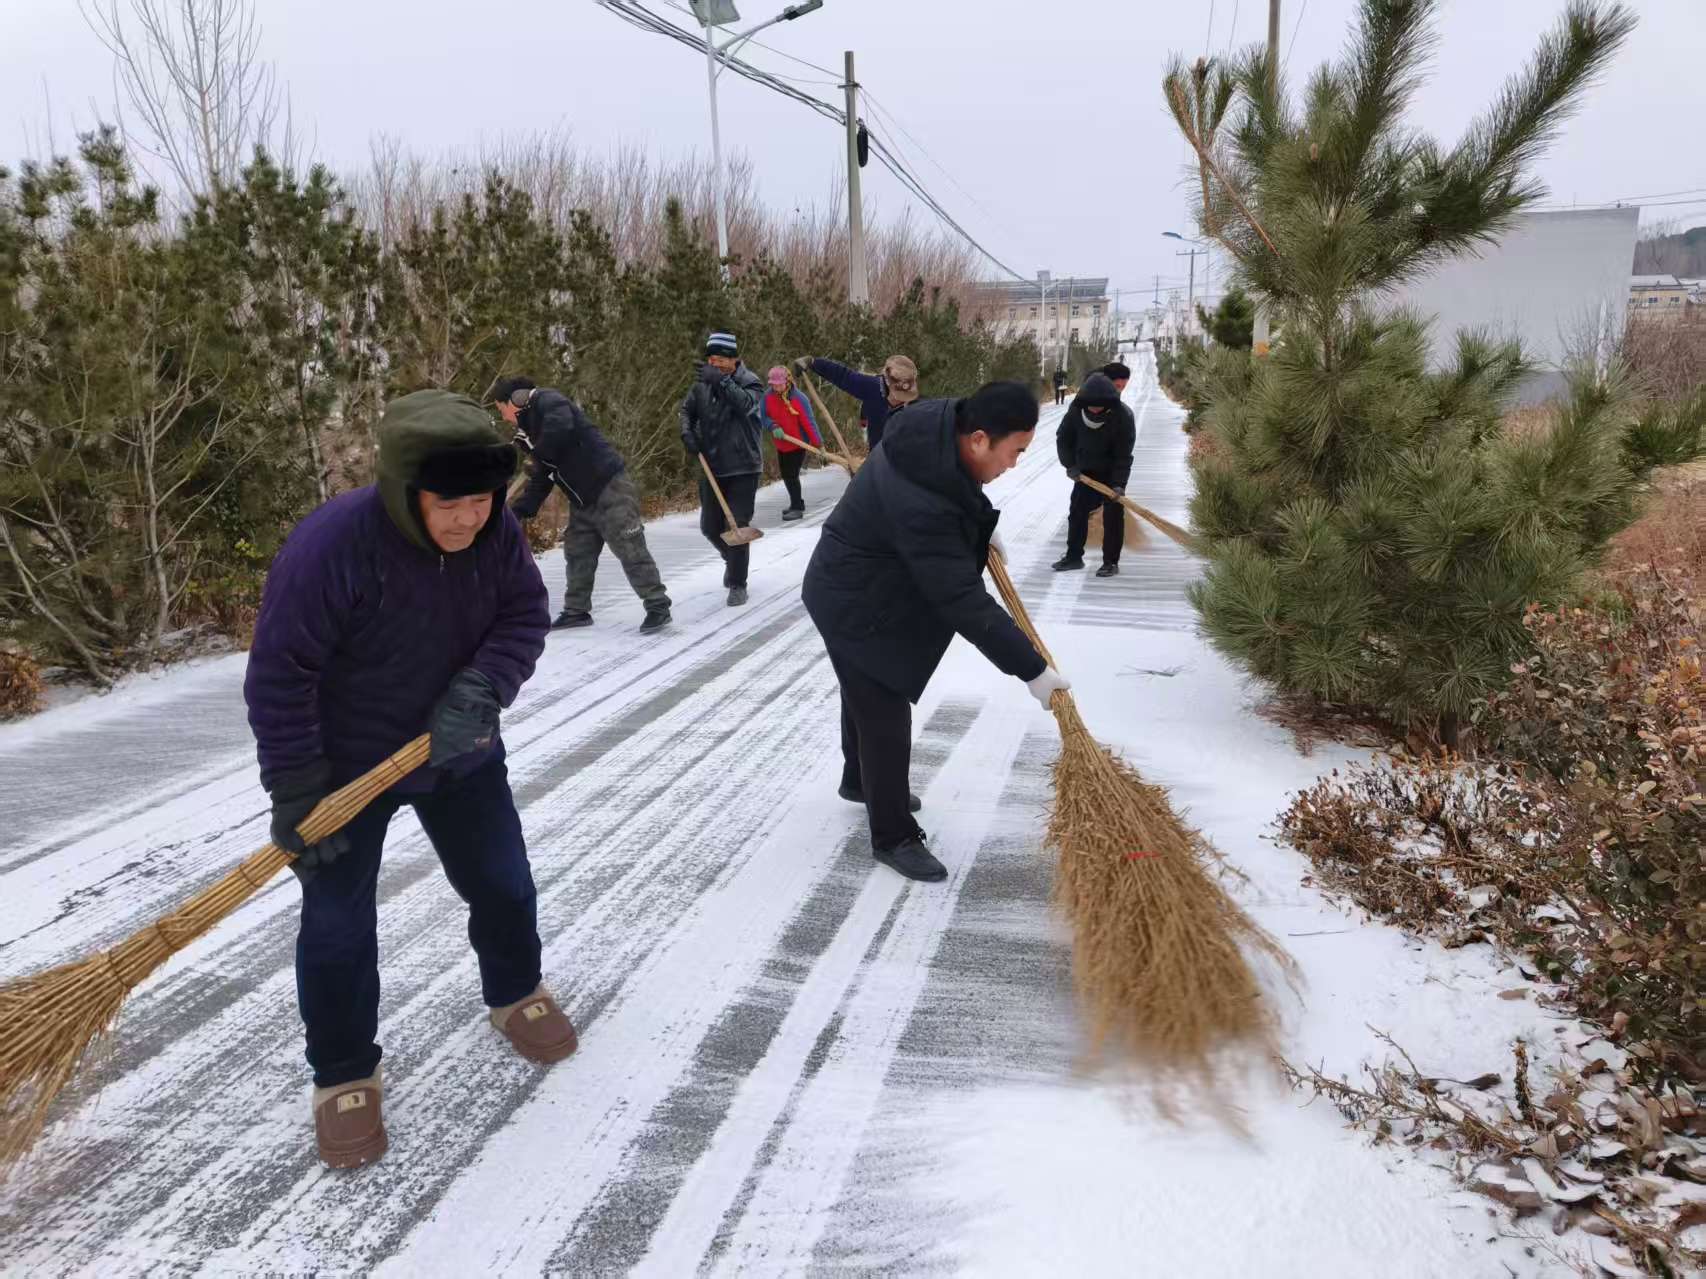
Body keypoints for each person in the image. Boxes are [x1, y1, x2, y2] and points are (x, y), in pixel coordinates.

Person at [243, 389, 573, 1172]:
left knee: (503, 880)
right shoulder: (330, 548)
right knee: (336, 927)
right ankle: (344, 1071)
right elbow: (279, 674)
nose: (468, 518)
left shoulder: (496, 538)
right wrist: (296, 790)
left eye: (483, 499)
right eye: (448, 502)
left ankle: (515, 987)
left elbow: (524, 615)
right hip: (346, 769)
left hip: (456, 748)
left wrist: (484, 686)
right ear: (403, 491)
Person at [802, 381, 1071, 883]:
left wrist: (977, 524)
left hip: (850, 578)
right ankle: (894, 835)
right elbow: (962, 601)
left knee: (860, 687)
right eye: (1014, 452)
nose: (1013, 464)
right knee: (881, 707)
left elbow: (954, 490)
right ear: (979, 439)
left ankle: (859, 780)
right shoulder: (922, 501)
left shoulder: (933, 428)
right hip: (852, 599)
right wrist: (1032, 669)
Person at [491, 376, 672, 634]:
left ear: (516, 400)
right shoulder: (532, 432)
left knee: (629, 546)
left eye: (502, 410)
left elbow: (560, 428)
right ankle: (576, 610)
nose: (505, 417)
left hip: (609, 487)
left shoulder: (548, 400)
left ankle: (657, 605)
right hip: (582, 499)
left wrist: (537, 455)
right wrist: (521, 510)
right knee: (578, 552)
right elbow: (542, 476)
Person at [681, 331, 765, 606]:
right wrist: (687, 433)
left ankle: (738, 583)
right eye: (711, 359)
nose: (714, 364)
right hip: (712, 465)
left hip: (743, 466)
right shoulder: (701, 386)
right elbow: (686, 412)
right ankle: (732, 559)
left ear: (734, 360)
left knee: (737, 526)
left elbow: (746, 406)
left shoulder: (750, 382)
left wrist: (723, 383)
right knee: (709, 527)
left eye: (720, 359)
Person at [1052, 371, 1136, 578]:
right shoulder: (1075, 411)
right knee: (1077, 512)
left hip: (1111, 474)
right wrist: (1070, 465)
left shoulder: (1123, 416)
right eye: (1091, 405)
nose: (1095, 409)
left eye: (1099, 406)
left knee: (1113, 516)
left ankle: (1110, 562)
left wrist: (1119, 485)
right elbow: (1063, 439)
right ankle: (1073, 557)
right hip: (1085, 472)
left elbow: (1123, 456)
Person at [792, 353, 919, 452]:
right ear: (886, 383)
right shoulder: (872, 387)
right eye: (897, 395)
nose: (901, 400)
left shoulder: (915, 403)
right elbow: (843, 376)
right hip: (878, 457)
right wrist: (813, 362)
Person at [763, 365, 823, 521]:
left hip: (798, 443)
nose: (776, 388)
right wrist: (772, 425)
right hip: (781, 443)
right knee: (786, 474)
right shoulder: (767, 397)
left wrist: (819, 444)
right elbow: (761, 416)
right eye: (773, 385)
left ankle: (796, 507)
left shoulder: (799, 398)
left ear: (787, 381)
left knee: (791, 475)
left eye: (779, 384)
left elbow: (809, 422)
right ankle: (798, 503)